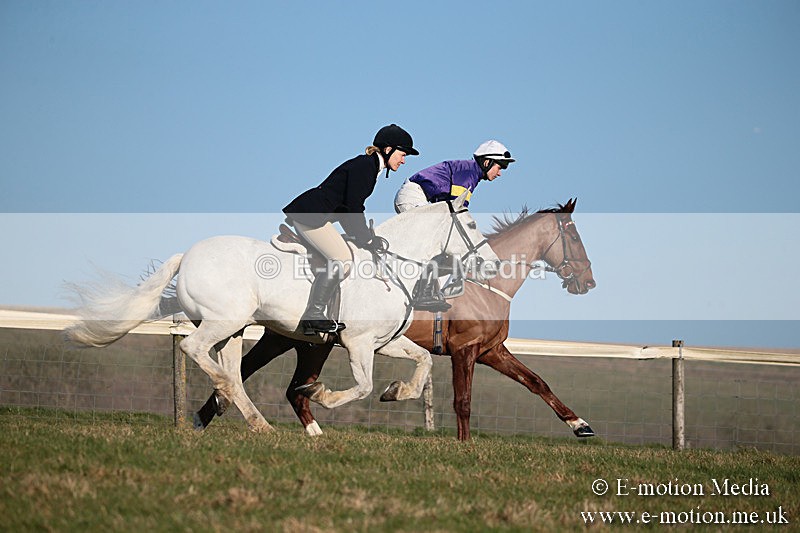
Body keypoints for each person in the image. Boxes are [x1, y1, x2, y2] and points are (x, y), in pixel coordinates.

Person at [283, 124, 418, 335]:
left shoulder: (370, 167)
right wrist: (366, 238)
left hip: (316, 216)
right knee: (342, 260)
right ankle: (314, 314)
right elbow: (353, 207)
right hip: (310, 217)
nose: (403, 160)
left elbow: (349, 208)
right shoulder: (365, 166)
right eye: (402, 154)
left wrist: (364, 237)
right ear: (388, 149)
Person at [393, 140, 515, 311]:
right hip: (413, 197)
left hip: (421, 198)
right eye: (500, 166)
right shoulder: (467, 173)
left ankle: (429, 290)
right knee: (442, 241)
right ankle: (422, 292)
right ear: (487, 162)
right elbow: (455, 212)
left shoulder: (471, 174)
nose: (500, 173)